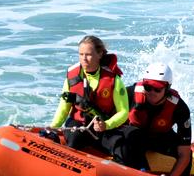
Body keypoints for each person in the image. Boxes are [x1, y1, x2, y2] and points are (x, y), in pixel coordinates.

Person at [49, 35, 135, 165]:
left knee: (122, 148)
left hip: (103, 128)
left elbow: (123, 112)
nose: (84, 59)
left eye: (88, 54)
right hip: (79, 126)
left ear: (99, 54)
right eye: (81, 54)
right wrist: (53, 128)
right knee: (74, 137)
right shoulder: (71, 78)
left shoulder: (114, 80)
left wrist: (106, 125)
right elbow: (63, 108)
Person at [125, 63, 192, 176]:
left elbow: (184, 154)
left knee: (188, 156)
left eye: (157, 89)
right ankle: (138, 175)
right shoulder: (130, 93)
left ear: (167, 89)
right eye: (148, 87)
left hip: (160, 137)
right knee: (131, 136)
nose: (151, 92)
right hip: (134, 135)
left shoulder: (180, 108)